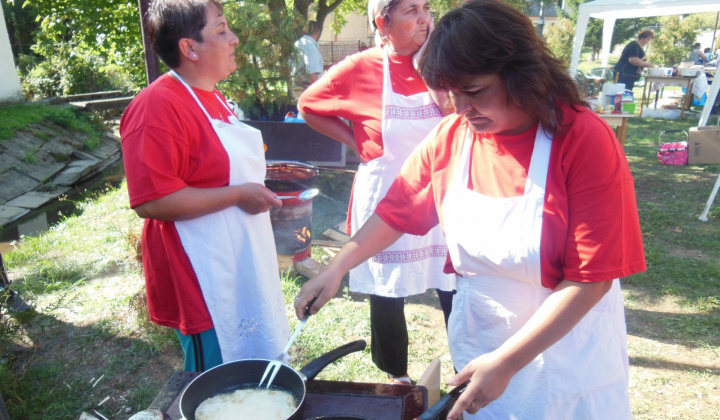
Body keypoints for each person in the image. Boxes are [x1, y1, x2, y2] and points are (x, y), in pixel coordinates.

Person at [294, 1, 645, 419]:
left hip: (566, 353)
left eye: (474, 91)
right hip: (483, 344)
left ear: (523, 75)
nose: (460, 107)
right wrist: (337, 267)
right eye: (447, 91)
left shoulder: (583, 139)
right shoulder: (454, 136)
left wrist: (509, 362)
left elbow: (591, 280)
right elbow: (397, 212)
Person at [120, 0, 290, 372]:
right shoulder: (156, 107)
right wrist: (239, 195)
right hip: (200, 275)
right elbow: (153, 201)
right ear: (189, 47)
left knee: (255, 363)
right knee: (217, 378)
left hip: (241, 258)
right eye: (221, 30)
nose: (234, 39)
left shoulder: (212, 96)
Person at [297, 0, 456, 385]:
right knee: (387, 290)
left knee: (455, 285)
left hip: (443, 193)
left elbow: (461, 118)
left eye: (427, 9)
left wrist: (436, 80)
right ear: (382, 22)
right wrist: (355, 140)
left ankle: (466, 368)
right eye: (411, 11)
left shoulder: (447, 61)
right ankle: (395, 374)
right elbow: (308, 104)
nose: (424, 19)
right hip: (386, 192)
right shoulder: (362, 67)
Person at [291, 20, 324, 100]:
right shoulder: (310, 47)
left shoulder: (298, 44)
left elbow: (289, 67)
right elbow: (312, 72)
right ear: (318, 32)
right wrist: (319, 95)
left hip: (297, 91)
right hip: (308, 93)